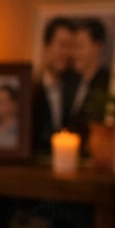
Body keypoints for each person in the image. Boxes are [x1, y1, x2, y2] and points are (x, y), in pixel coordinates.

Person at [32, 16, 79, 154]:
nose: (67, 53)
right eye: (63, 45)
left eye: (71, 47)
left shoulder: (76, 90)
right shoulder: (32, 90)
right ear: (46, 47)